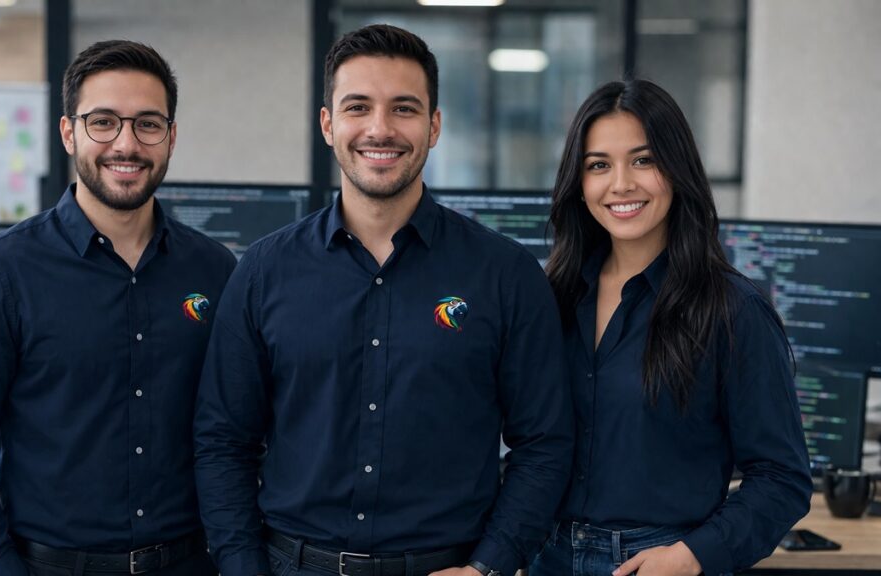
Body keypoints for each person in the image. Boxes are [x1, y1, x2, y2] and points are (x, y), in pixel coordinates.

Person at [194, 24, 573, 576]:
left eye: (403, 109)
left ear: (434, 125)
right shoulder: (263, 271)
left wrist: (490, 565)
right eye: (358, 107)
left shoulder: (505, 274)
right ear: (328, 124)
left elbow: (544, 443)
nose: (380, 129)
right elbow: (223, 441)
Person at [0, 40, 235, 576]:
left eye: (148, 124)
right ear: (69, 132)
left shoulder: (214, 270)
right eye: (103, 122)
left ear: (171, 137)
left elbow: (236, 436)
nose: (126, 144)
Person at [531, 78, 812, 576]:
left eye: (643, 160)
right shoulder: (552, 298)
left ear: (678, 169)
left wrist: (692, 556)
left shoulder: (733, 309)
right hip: (546, 554)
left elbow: (782, 478)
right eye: (598, 165)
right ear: (579, 182)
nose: (621, 184)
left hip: (660, 559)